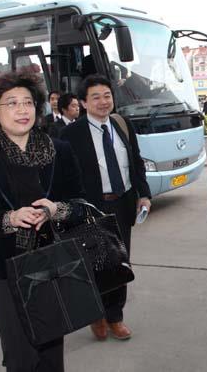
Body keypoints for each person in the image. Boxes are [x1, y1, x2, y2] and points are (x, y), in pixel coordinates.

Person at [0, 72, 86, 371]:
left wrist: (57, 209)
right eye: (11, 103)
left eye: (28, 102)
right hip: (6, 271)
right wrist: (8, 219)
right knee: (19, 355)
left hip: (55, 263)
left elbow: (82, 206)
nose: (22, 110)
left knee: (51, 353)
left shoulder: (59, 150)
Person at [59, 75, 151, 342]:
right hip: (91, 207)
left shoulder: (122, 124)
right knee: (94, 264)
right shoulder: (71, 134)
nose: (103, 101)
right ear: (83, 103)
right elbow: (64, 175)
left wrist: (143, 194)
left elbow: (136, 162)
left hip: (122, 204)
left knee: (120, 262)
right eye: (96, 97)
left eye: (107, 95)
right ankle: (96, 315)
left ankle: (115, 317)